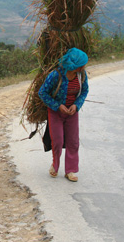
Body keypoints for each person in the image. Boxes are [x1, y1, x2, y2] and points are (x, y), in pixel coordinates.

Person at [38, 48, 89, 182]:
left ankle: (70, 171)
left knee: (73, 141)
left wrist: (76, 105)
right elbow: (42, 92)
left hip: (72, 113)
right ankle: (55, 165)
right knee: (58, 141)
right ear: (75, 65)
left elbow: (84, 91)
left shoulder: (81, 75)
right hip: (56, 113)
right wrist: (57, 106)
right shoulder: (56, 75)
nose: (84, 66)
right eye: (82, 64)